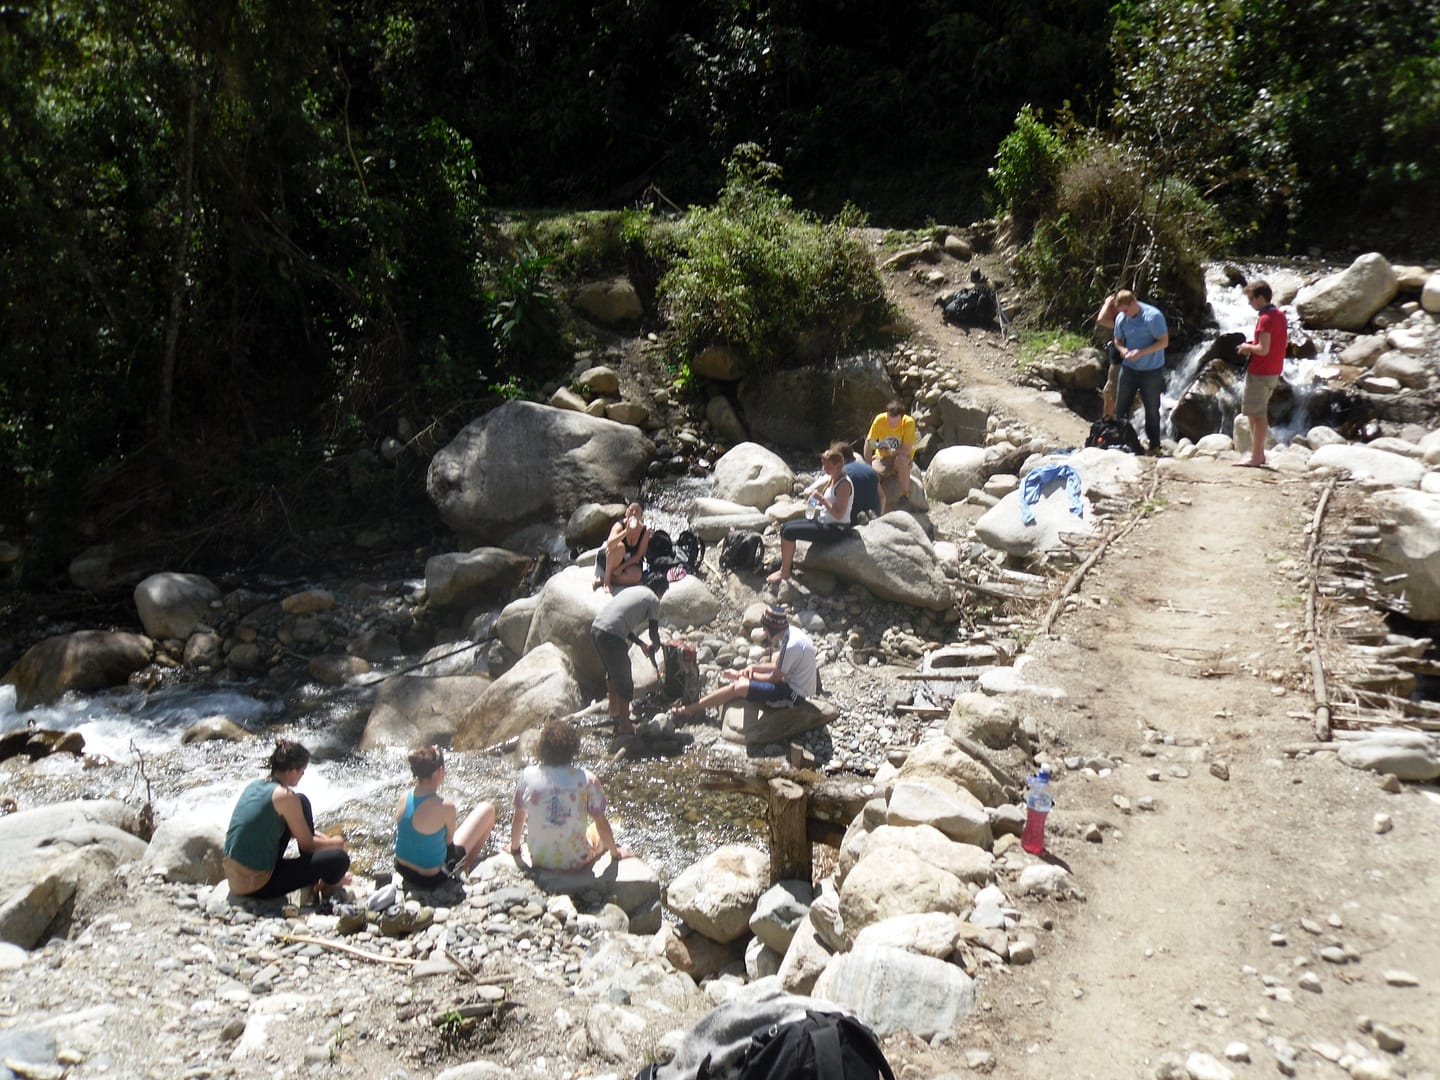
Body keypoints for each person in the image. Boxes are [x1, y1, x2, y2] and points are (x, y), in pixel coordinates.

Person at [223, 739, 351, 903]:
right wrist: (336, 842)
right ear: (291, 772)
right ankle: (326, 885)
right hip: (256, 883)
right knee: (339, 859)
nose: (303, 774)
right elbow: (307, 845)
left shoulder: (257, 785)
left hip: (235, 875)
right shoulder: (284, 797)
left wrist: (324, 840)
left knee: (301, 801)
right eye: (302, 770)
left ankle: (314, 872)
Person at [509, 717, 630, 871]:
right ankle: (610, 847)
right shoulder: (586, 778)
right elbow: (601, 822)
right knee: (599, 828)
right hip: (575, 862)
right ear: (573, 750)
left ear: (542, 749)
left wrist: (515, 849)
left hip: (539, 859)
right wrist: (615, 853)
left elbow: (519, 818)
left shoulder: (528, 775)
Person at [674, 605, 817, 718]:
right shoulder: (791, 632)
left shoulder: (790, 646)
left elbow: (774, 678)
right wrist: (753, 667)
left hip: (794, 695)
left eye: (765, 628)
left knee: (739, 687)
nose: (764, 632)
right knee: (771, 660)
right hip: (795, 682)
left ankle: (692, 709)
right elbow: (776, 665)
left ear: (772, 629)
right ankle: (698, 706)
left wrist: (742, 676)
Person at [393, 745, 496, 897]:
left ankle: (465, 869)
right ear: (440, 771)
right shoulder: (446, 806)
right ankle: (466, 869)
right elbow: (449, 843)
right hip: (430, 878)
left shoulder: (404, 796)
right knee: (487, 810)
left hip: (402, 868)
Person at [591, 570, 668, 735]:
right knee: (625, 678)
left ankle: (614, 712)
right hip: (611, 634)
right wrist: (657, 644)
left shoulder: (634, 591)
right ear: (660, 590)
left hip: (597, 629)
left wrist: (641, 643)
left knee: (612, 673)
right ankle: (625, 725)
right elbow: (654, 632)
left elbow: (621, 623)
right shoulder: (653, 599)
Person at [767, 445, 853, 584]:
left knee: (789, 532)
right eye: (823, 466)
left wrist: (822, 500)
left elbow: (839, 513)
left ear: (838, 465)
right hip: (825, 522)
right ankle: (786, 566)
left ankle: (785, 572)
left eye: (828, 467)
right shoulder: (832, 479)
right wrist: (815, 504)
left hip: (837, 529)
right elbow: (828, 506)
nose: (824, 470)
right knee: (785, 527)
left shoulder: (844, 484)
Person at [1234, 280, 1288, 467]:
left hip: (1260, 372)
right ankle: (1258, 454)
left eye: (1251, 299)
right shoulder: (1279, 314)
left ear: (1260, 297)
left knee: (1256, 415)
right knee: (1258, 413)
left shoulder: (1265, 318)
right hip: (1273, 370)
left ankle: (1257, 456)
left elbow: (1263, 349)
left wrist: (1247, 347)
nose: (1250, 303)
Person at [1109, 289, 1170, 454]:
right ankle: (1120, 441)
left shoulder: (1153, 317)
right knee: (1121, 407)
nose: (1124, 314)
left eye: (1126, 310)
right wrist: (1122, 350)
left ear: (1134, 303)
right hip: (1129, 369)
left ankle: (1155, 444)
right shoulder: (1122, 317)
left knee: (1151, 409)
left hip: (1152, 370)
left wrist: (1141, 352)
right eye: (1121, 311)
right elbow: (1117, 339)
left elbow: (1164, 342)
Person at [863, 399, 916, 513]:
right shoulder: (880, 420)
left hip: (900, 457)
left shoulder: (909, 423)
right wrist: (868, 467)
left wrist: (891, 451)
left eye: (895, 422)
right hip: (881, 458)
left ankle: (905, 495)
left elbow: (906, 450)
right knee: (872, 476)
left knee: (902, 459)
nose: (892, 425)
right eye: (889, 421)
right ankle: (874, 504)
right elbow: (869, 443)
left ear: (901, 418)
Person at [593, 501, 651, 592]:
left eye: (637, 511)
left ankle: (603, 579)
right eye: (631, 510)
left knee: (637, 575)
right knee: (620, 547)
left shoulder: (645, 530)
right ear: (626, 512)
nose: (634, 513)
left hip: (627, 561)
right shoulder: (619, 525)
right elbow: (610, 545)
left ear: (641, 515)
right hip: (610, 557)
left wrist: (621, 568)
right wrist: (626, 531)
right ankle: (607, 582)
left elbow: (639, 555)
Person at [1094, 293, 1124, 420]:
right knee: (1107, 392)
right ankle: (1107, 420)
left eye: (1113, 307)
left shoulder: (1125, 321)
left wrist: (1107, 303)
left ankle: (1115, 423)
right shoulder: (1122, 319)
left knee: (1113, 393)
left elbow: (1101, 320)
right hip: (1117, 362)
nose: (1110, 310)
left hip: (1121, 363)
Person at [839, 440, 882, 521]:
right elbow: (883, 497)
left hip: (852, 522)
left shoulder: (841, 473)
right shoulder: (871, 469)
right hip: (874, 519)